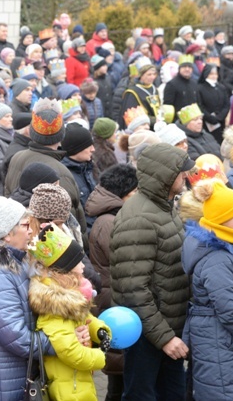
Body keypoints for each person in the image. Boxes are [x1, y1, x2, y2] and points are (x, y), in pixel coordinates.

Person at [110, 143, 195, 401]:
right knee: (141, 395)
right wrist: (165, 338)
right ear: (165, 176)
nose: (186, 177)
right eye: (182, 172)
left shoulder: (164, 207)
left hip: (166, 327)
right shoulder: (139, 219)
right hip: (148, 336)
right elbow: (133, 290)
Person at [0, 196, 53, 400]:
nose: (31, 231)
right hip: (2, 386)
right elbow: (19, 339)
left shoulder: (13, 263)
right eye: (24, 225)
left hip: (13, 380)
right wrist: (64, 342)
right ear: (6, 234)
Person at [182, 180, 233, 401]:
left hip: (220, 338)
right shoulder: (217, 258)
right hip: (220, 340)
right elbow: (229, 309)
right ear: (220, 219)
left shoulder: (222, 248)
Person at [28, 223, 111, 401]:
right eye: (77, 262)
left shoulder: (68, 297)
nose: (83, 267)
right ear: (64, 269)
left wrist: (99, 330)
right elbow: (70, 352)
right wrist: (101, 356)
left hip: (76, 381)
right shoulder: (54, 305)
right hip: (68, 389)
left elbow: (83, 317)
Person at [85, 164, 138, 401]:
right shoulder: (109, 222)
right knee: (118, 374)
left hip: (114, 296)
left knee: (121, 373)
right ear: (125, 193)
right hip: (113, 299)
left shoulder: (113, 216)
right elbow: (126, 259)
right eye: (135, 192)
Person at [5, 99, 87, 234]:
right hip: (50, 245)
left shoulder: (17, 157)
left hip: (20, 235)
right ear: (62, 135)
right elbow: (69, 220)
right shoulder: (60, 172)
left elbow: (7, 193)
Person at [197, 64, 230, 144]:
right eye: (211, 74)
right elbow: (199, 106)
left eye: (215, 74)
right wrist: (210, 117)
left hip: (220, 122)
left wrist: (220, 117)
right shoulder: (200, 88)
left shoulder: (221, 87)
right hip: (206, 122)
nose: (214, 76)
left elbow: (226, 104)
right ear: (206, 74)